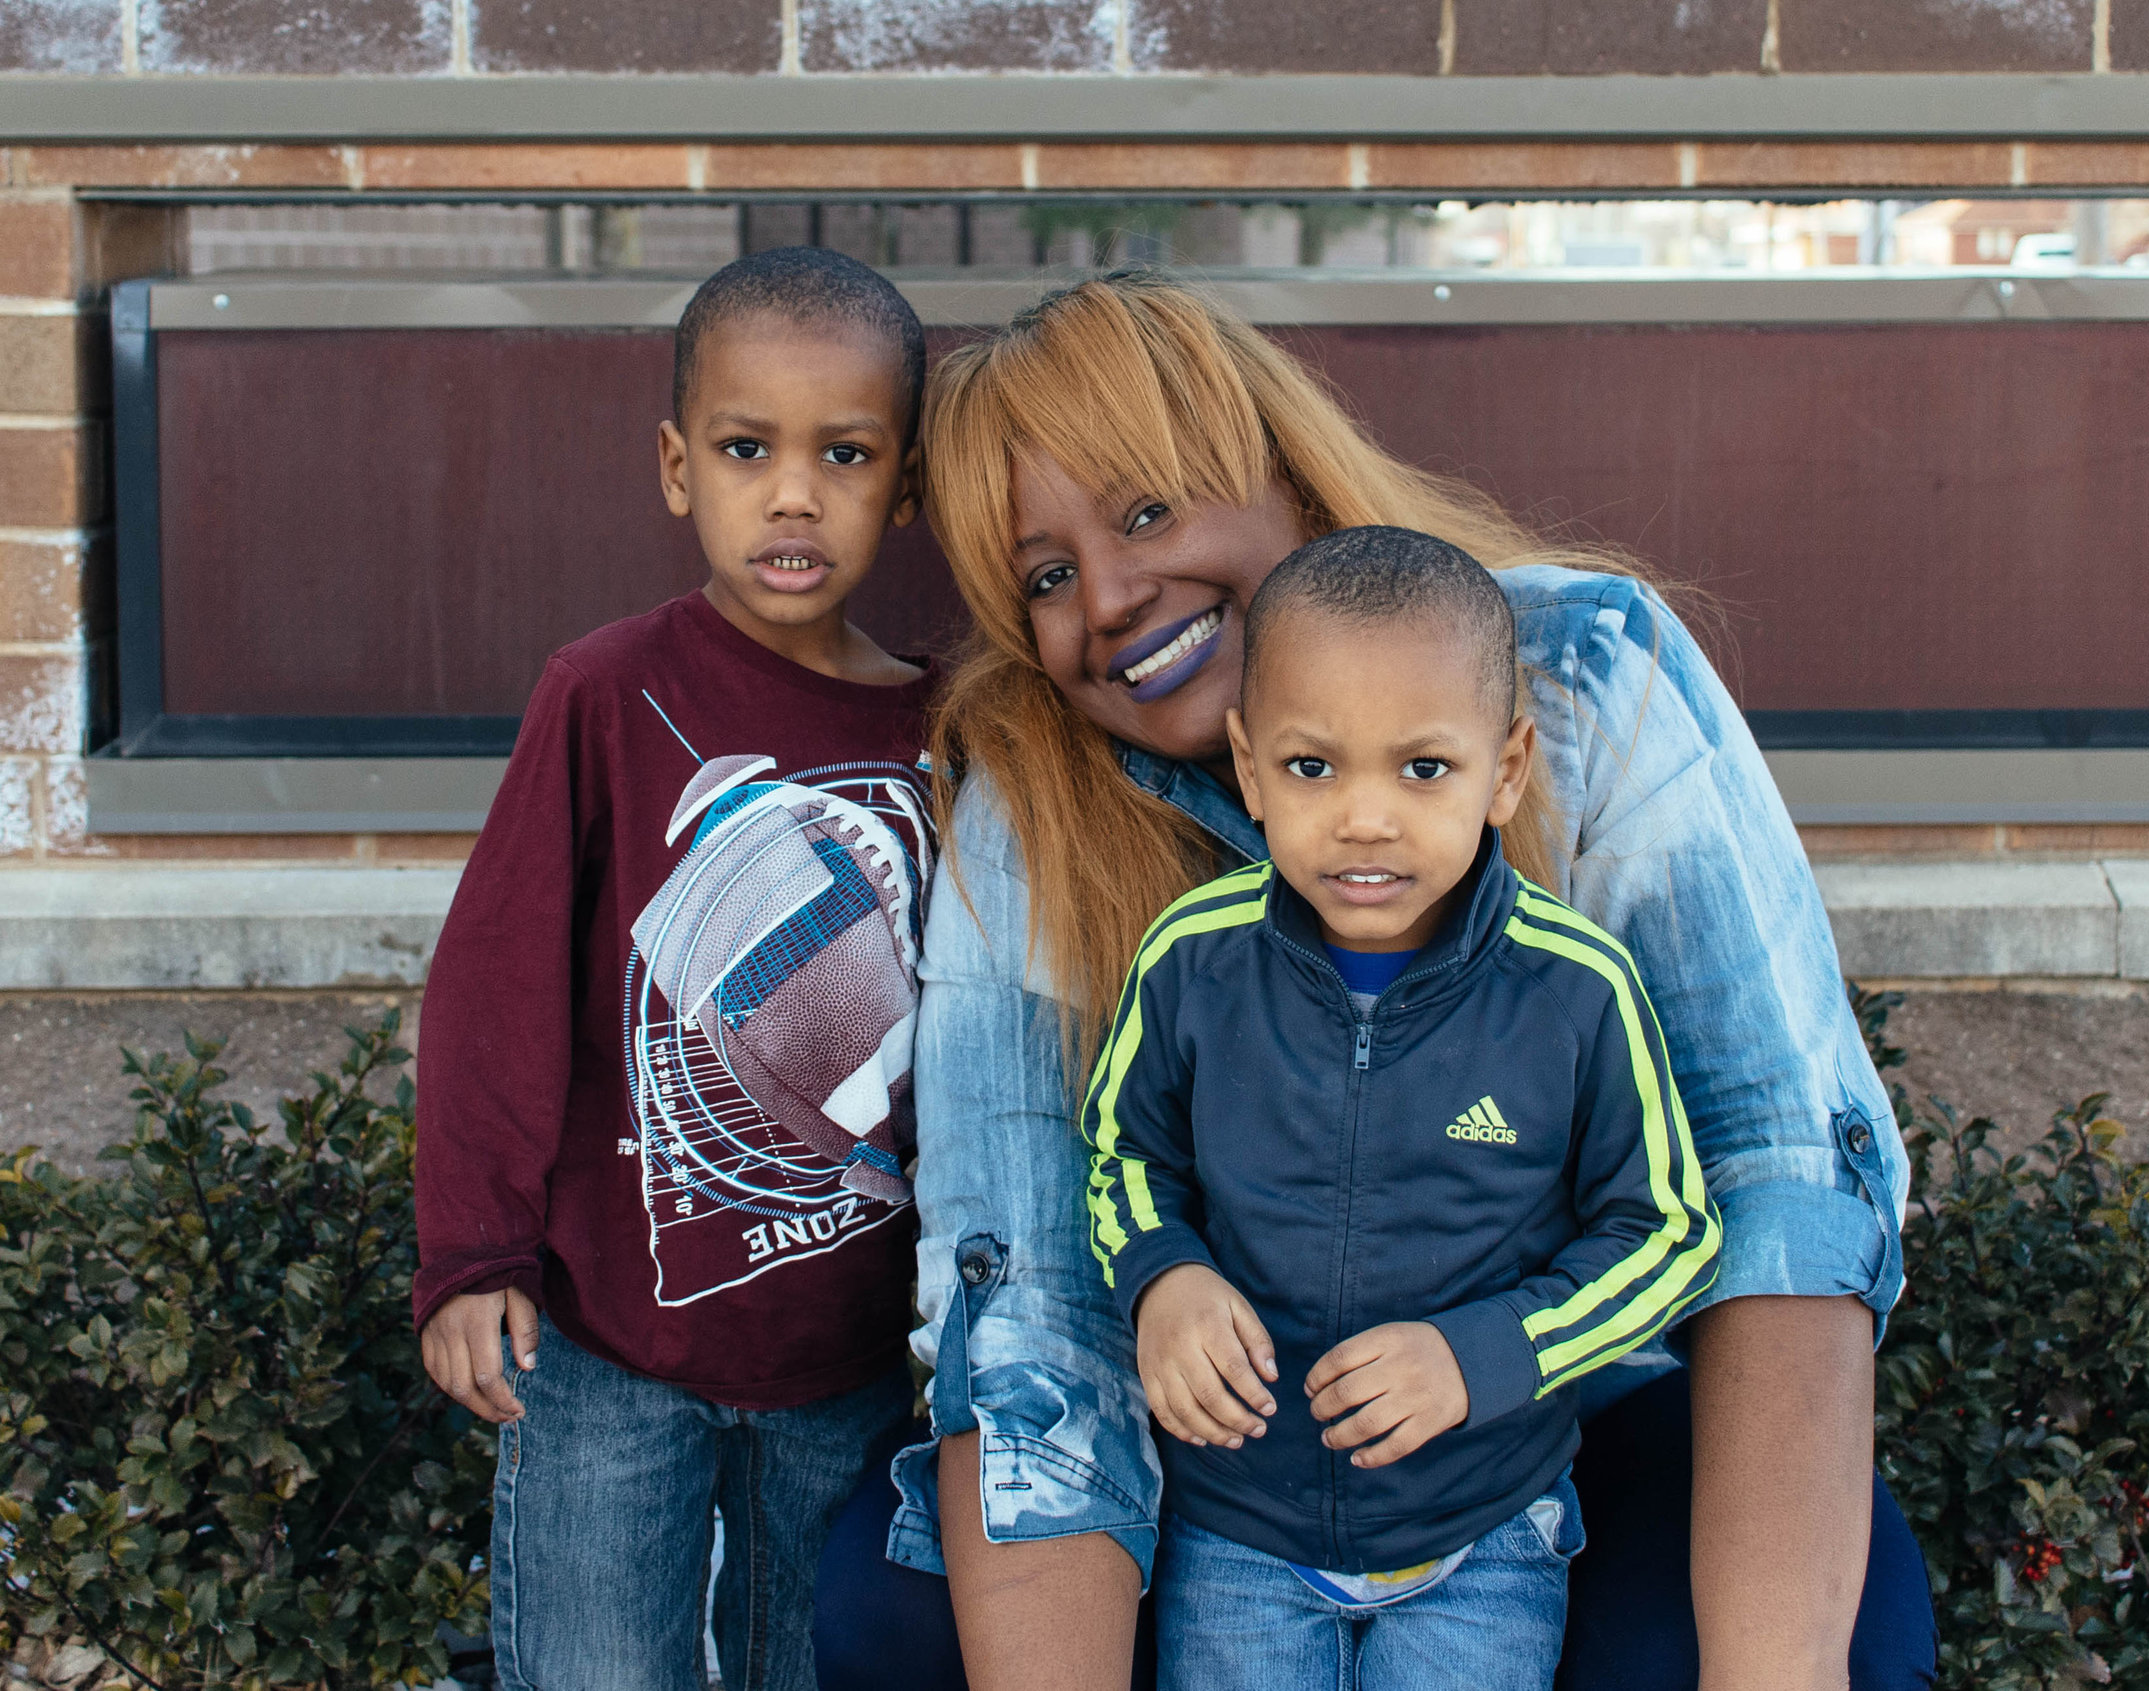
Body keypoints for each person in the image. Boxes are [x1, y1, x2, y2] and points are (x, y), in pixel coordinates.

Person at [814, 271, 1936, 1691]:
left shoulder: (1582, 674)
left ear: (1275, 465)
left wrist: (1771, 1669)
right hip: (1232, 1453)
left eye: (1147, 510)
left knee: (1802, 1642)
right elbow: (1031, 1282)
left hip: (1574, 1395)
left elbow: (1775, 1173)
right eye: (1044, 576)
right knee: (894, 1609)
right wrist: (1166, 1281)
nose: (1107, 596)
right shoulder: (1033, 807)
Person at [414, 246, 940, 1691]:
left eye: (844, 454)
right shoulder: (605, 688)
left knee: (808, 1664)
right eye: (744, 447)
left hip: (843, 1349)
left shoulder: (946, 732)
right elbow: (492, 988)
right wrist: (474, 1253)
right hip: (604, 1346)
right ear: (674, 464)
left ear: (905, 486)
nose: (792, 492)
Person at [1093, 527, 1723, 1690]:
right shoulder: (1190, 962)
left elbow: (1670, 1232)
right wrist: (1163, 1276)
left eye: (1422, 768)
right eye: (1312, 767)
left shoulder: (1575, 990)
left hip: (1479, 1530)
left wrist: (1482, 1355)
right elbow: (1125, 1155)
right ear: (1247, 766)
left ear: (1508, 770)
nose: (1365, 818)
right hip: (1239, 1527)